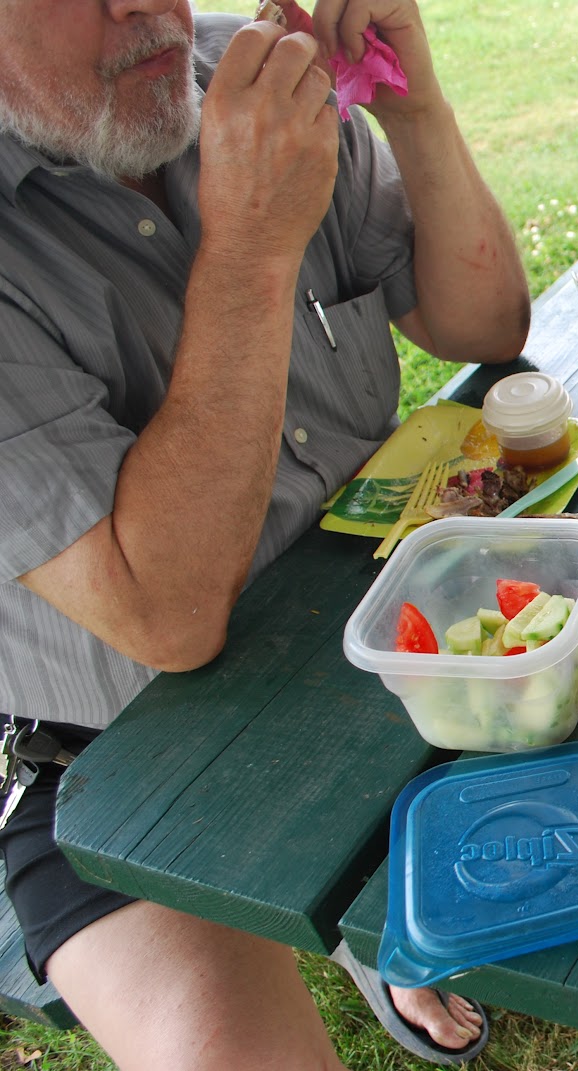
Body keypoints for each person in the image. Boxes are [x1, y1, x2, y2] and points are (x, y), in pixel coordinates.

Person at [0, 0, 530, 1066]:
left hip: (380, 636)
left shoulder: (244, 80)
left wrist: (412, 101)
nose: (141, 3)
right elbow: (167, 617)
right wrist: (249, 243)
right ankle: (354, 909)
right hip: (115, 759)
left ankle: (362, 891)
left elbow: (480, 326)